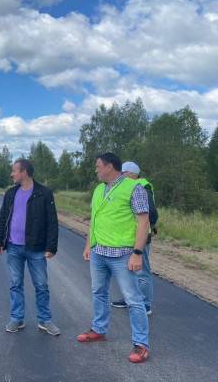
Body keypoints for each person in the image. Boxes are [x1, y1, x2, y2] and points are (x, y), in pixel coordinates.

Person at [78, 153, 150, 364]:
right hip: (99, 253)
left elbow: (143, 223)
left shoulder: (134, 188)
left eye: (98, 166)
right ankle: (99, 329)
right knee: (98, 292)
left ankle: (141, 344)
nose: (96, 169)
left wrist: (137, 253)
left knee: (133, 299)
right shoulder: (99, 189)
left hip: (123, 255)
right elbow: (94, 219)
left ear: (110, 166)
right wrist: (88, 244)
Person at [0, 159, 60, 336]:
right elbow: (2, 218)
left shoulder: (44, 193)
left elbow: (52, 222)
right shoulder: (10, 193)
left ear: (24, 172)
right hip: (14, 247)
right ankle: (17, 318)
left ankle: (45, 320)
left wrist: (51, 246)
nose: (11, 174)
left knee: (41, 285)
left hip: (36, 248)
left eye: (14, 171)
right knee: (15, 284)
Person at [111, 161, 158, 315]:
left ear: (132, 173)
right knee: (130, 270)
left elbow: (151, 214)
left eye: (123, 173)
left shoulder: (142, 187)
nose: (121, 176)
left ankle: (145, 304)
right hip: (129, 236)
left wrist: (147, 227)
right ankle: (130, 299)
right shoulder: (129, 187)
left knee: (142, 271)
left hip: (141, 237)